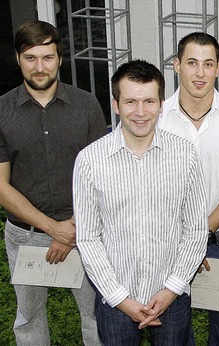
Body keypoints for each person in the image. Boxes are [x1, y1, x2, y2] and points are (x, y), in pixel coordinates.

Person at [73, 60, 208, 345]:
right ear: (115, 104)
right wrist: (120, 299)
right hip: (115, 299)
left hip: (171, 295)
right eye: (131, 101)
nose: (141, 112)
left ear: (161, 104)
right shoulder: (89, 160)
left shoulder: (185, 155)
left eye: (149, 101)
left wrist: (172, 289)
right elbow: (87, 238)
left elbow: (195, 229)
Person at [0, 20, 106, 345]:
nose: (39, 66)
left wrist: (71, 228)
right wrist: (52, 228)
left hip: (84, 233)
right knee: (29, 320)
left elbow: (101, 176)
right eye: (30, 57)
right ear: (18, 59)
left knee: (96, 316)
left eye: (47, 57)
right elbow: (1, 186)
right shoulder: (2, 110)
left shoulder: (87, 106)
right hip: (26, 234)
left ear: (60, 58)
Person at [157, 32, 219, 346]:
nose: (200, 73)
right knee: (172, 329)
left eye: (208, 64)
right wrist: (184, 240)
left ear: (218, 68)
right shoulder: (155, 118)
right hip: (166, 245)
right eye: (191, 63)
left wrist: (199, 235)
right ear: (176, 65)